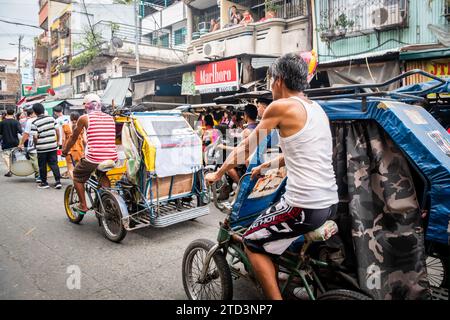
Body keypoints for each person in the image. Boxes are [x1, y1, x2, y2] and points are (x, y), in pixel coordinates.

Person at [205, 53, 338, 300]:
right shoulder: (315, 108)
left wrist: (218, 173)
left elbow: (245, 147)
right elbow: (300, 152)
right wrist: (267, 165)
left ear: (278, 80)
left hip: (304, 205)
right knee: (272, 226)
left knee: (252, 241)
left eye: (269, 80)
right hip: (329, 203)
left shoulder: (280, 106)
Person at [62, 94, 118, 214]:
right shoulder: (110, 118)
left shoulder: (85, 118)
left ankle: (83, 205)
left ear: (85, 106)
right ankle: (106, 199)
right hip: (112, 157)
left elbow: (73, 137)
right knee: (101, 174)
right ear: (100, 105)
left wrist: (65, 151)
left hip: (94, 157)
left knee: (77, 175)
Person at [31, 103, 62, 189]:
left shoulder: (35, 122)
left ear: (35, 112)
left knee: (42, 165)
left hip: (41, 148)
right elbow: (57, 130)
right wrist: (57, 141)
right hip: (52, 145)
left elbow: (35, 137)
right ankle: (58, 181)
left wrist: (35, 144)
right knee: (54, 164)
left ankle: (44, 183)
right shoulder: (51, 118)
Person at [18, 108, 40, 182]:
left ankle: (38, 175)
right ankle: (42, 174)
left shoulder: (29, 121)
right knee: (41, 160)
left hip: (32, 143)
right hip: (43, 143)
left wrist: (21, 144)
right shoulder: (41, 118)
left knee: (34, 160)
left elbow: (26, 134)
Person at [0, 106, 22, 177]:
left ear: (6, 113)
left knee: (6, 156)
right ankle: (13, 169)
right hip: (15, 142)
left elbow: (0, 133)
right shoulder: (16, 122)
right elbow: (20, 132)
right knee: (14, 156)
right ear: (14, 113)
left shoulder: (2, 122)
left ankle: (10, 170)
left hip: (6, 142)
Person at [62, 112, 85, 179]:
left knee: (70, 168)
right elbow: (84, 140)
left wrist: (63, 149)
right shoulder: (81, 127)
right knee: (78, 169)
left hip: (69, 149)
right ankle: (79, 183)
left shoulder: (65, 126)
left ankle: (75, 183)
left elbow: (63, 139)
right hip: (79, 149)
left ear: (70, 118)